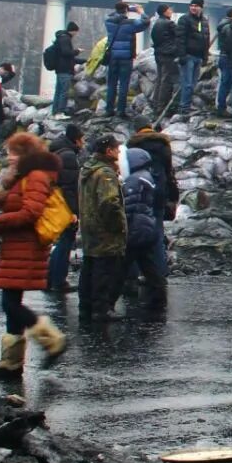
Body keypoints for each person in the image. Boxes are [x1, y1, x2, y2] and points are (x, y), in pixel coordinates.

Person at [0, 131, 67, 379]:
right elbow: (10, 207)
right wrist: (4, 188)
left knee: (9, 303)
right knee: (11, 303)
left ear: (25, 155)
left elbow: (30, 213)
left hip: (26, 247)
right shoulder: (24, 177)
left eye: (13, 154)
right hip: (15, 247)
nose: (8, 158)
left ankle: (53, 340)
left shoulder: (37, 176)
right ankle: (11, 364)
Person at [78, 133, 128, 323]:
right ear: (109, 151)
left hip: (89, 227)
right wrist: (119, 226)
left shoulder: (87, 170)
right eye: (116, 148)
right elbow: (109, 203)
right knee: (104, 269)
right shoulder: (105, 173)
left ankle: (86, 307)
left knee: (89, 266)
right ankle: (101, 308)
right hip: (104, 230)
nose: (118, 152)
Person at [121, 148, 169, 316]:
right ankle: (158, 299)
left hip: (136, 228)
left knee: (121, 266)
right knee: (149, 265)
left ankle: (107, 302)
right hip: (146, 226)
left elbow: (129, 206)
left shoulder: (134, 180)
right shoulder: (148, 176)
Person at [46, 122, 84, 296]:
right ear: (76, 140)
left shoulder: (58, 151)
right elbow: (69, 187)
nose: (83, 143)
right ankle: (58, 281)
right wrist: (73, 212)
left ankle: (50, 279)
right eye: (82, 139)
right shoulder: (68, 156)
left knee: (62, 241)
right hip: (64, 206)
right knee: (65, 241)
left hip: (54, 203)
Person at [102, 1, 148, 117]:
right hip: (126, 57)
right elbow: (146, 22)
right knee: (123, 84)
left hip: (112, 56)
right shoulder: (130, 23)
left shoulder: (109, 22)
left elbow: (113, 15)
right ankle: (120, 110)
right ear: (126, 10)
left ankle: (109, 109)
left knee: (111, 84)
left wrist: (125, 9)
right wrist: (140, 11)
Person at [176, 0, 211, 112]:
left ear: (201, 7)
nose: (193, 8)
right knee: (187, 84)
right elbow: (180, 38)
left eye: (196, 6)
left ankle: (187, 104)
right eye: (192, 5)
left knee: (193, 84)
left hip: (198, 57)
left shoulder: (204, 21)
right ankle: (184, 107)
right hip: (188, 56)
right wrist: (182, 55)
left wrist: (205, 57)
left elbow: (206, 40)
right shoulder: (184, 20)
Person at [148, 5, 181, 114]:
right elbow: (180, 35)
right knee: (166, 81)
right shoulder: (169, 23)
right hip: (168, 54)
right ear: (165, 12)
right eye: (169, 10)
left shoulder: (157, 23)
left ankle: (155, 103)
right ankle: (161, 107)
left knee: (160, 79)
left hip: (159, 54)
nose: (171, 11)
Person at [46, 22, 79, 117]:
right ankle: (60, 112)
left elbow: (66, 55)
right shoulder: (65, 39)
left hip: (60, 69)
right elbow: (66, 53)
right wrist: (77, 51)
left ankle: (55, 112)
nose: (76, 34)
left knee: (58, 91)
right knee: (64, 92)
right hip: (65, 70)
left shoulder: (60, 38)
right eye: (76, 32)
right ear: (73, 31)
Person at [214, 9, 232, 115]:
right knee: (226, 82)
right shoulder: (229, 27)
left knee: (225, 82)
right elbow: (231, 42)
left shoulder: (222, 25)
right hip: (228, 57)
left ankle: (221, 106)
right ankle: (222, 107)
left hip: (223, 56)